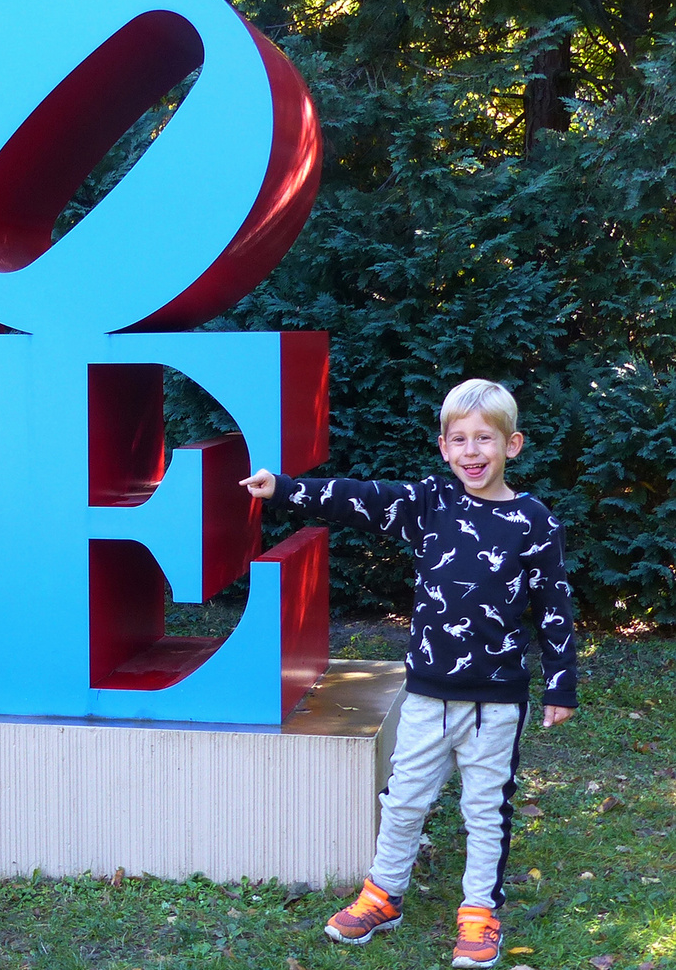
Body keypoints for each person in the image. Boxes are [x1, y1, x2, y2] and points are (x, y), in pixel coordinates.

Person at [240, 378, 578, 970]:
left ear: (513, 445)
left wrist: (561, 681)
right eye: (460, 440)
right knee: (403, 801)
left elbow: (553, 605)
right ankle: (382, 894)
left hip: (496, 702)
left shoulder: (534, 522)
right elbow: (360, 498)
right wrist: (288, 490)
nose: (472, 452)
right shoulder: (429, 505)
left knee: (485, 809)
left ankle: (479, 914)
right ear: (444, 448)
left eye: (485, 439)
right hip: (426, 694)